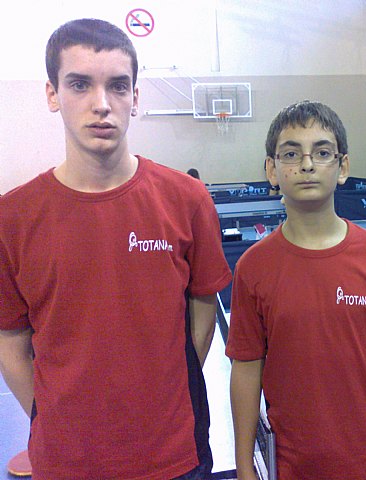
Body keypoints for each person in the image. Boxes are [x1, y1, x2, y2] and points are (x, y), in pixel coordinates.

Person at [0, 18, 232, 480]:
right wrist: (57, 416)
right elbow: (11, 341)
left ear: (135, 97)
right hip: (67, 461)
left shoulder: (187, 199)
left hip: (173, 455)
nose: (101, 104)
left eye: (118, 86)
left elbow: (204, 309)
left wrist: (162, 392)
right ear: (52, 94)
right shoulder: (13, 216)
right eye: (80, 84)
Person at [226, 100, 366, 480]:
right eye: (291, 154)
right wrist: (245, 466)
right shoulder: (253, 266)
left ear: (343, 167)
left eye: (321, 152)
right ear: (271, 170)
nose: (306, 165)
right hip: (292, 465)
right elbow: (247, 368)